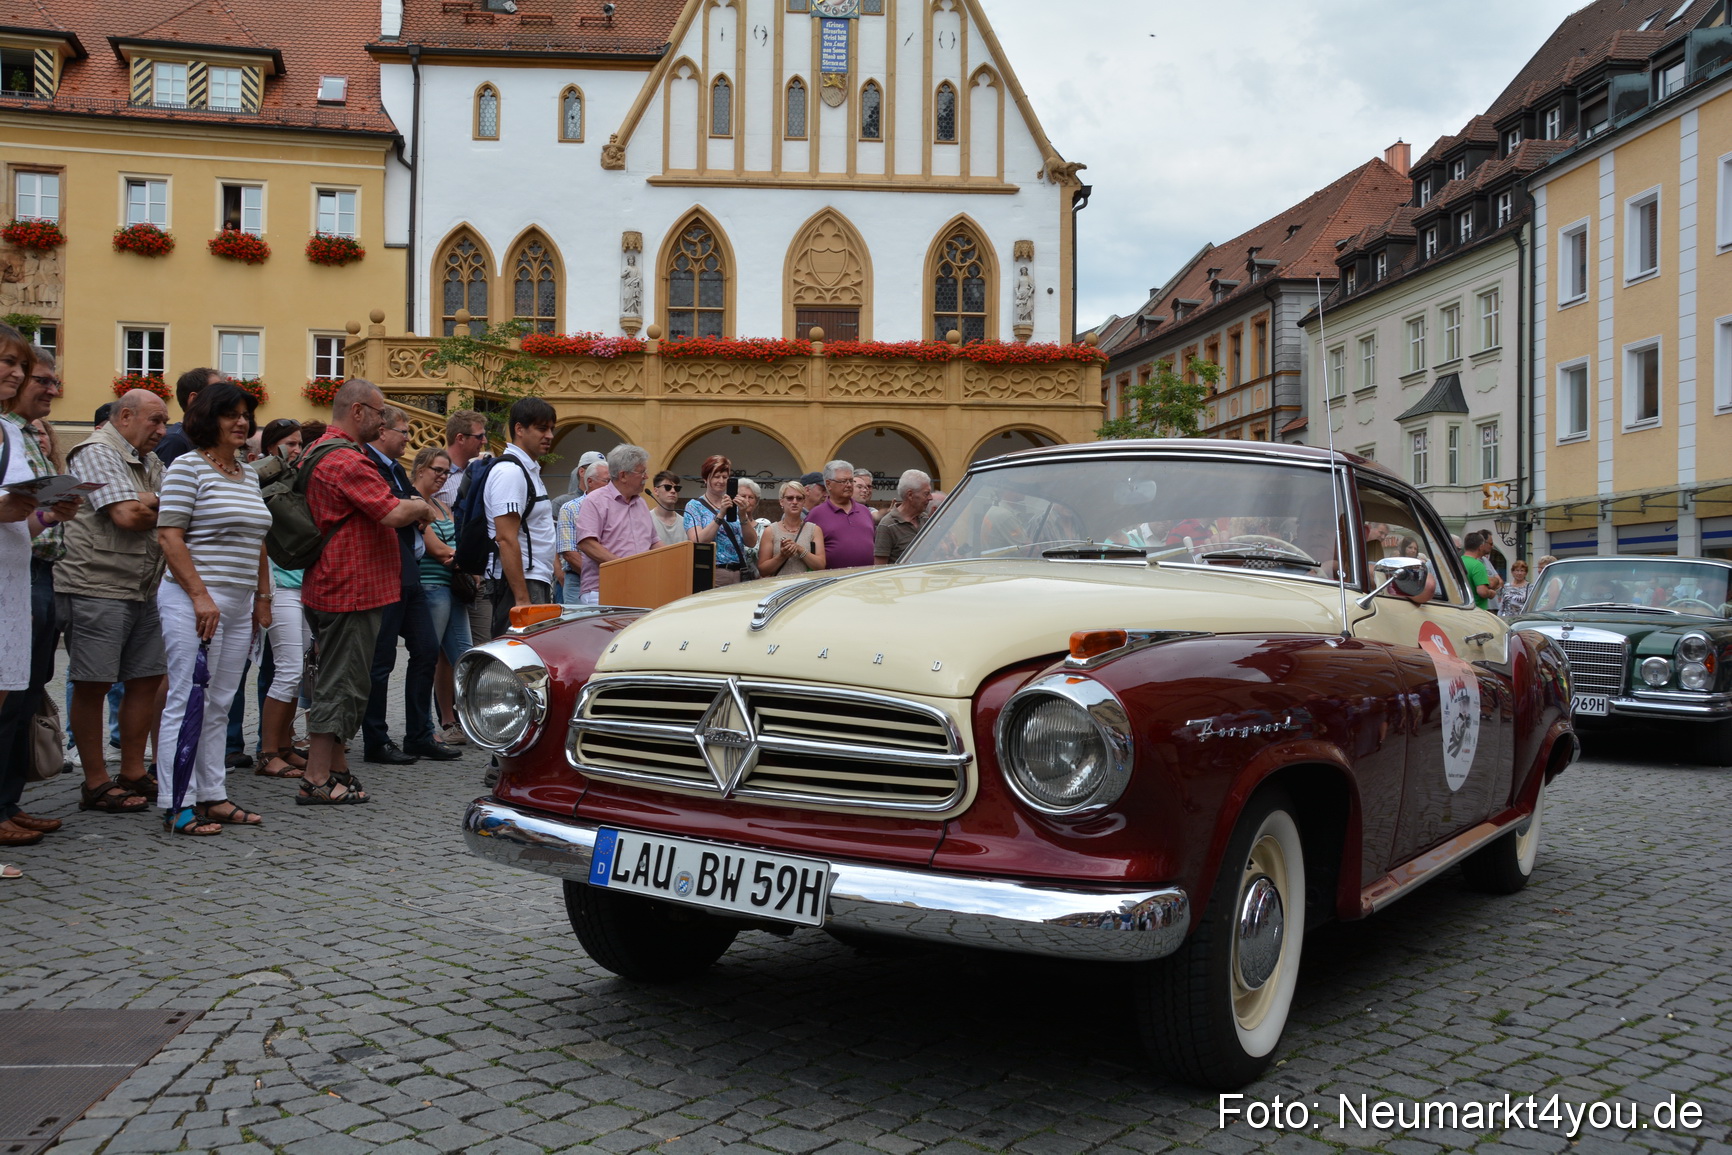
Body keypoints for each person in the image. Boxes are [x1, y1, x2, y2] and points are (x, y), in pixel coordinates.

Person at [299, 379, 434, 805]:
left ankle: (337, 768)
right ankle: (317, 777)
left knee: (348, 681)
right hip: (349, 588)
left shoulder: (322, 451)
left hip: (338, 583)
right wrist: (422, 505)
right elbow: (392, 511)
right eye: (378, 412)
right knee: (341, 684)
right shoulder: (346, 460)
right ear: (357, 412)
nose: (382, 419)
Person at [153, 382, 273, 835]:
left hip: (240, 602)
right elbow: (169, 536)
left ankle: (213, 795)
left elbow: (257, 540)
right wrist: (200, 595)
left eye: (245, 414)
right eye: (230, 414)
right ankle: (176, 802)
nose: (241, 422)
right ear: (209, 419)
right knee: (187, 701)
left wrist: (263, 598)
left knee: (221, 702)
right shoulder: (187, 467)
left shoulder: (249, 473)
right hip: (193, 599)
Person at [58, 388, 170, 813]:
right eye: (155, 421)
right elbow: (127, 516)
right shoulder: (96, 450)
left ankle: (133, 772)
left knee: (145, 678)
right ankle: (96, 781)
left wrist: (150, 501)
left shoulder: (148, 459)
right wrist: (161, 504)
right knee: (94, 682)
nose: (162, 430)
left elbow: (171, 507)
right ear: (125, 416)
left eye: (163, 422)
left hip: (143, 585)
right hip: (95, 584)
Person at [0, 342, 80, 847]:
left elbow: (20, 516)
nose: (49, 388)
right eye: (36, 377)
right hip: (18, 574)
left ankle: (8, 801)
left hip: (28, 568)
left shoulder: (20, 432)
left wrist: (51, 511)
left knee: (24, 692)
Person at [362, 406, 454, 763]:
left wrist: (413, 508)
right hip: (386, 572)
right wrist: (415, 508)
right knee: (382, 661)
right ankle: (376, 739)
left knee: (427, 651)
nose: (407, 438)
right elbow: (397, 510)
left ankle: (418, 734)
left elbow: (412, 509)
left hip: (409, 572)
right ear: (382, 430)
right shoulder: (369, 464)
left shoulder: (393, 470)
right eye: (403, 431)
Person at [250, 419, 310, 779]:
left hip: (301, 584)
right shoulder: (259, 477)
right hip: (279, 586)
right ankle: (267, 751)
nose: (297, 449)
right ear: (272, 447)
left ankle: (285, 746)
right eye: (289, 444)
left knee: (297, 671)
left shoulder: (294, 478)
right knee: (287, 670)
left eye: (300, 443)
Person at [485, 397, 558, 637]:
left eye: (551, 429)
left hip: (535, 578)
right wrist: (522, 599)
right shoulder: (511, 472)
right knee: (521, 660)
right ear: (519, 429)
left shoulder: (528, 469)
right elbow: (505, 538)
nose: (549, 435)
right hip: (522, 583)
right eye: (541, 428)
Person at [413, 445, 471, 745]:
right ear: (420, 468)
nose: (442, 476)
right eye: (437, 470)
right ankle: (424, 727)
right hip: (430, 588)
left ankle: (452, 722)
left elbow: (452, 549)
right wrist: (460, 557)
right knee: (428, 659)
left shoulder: (441, 505)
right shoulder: (412, 501)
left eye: (446, 472)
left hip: (452, 588)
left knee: (461, 656)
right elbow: (436, 549)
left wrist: (455, 556)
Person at [571, 444, 655, 605]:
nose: (646, 477)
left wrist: (677, 557)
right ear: (623, 475)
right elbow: (587, 543)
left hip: (640, 588)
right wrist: (624, 567)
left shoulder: (642, 504)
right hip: (602, 590)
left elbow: (654, 542)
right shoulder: (594, 500)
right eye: (642, 472)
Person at [684, 455, 757, 586]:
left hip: (740, 572)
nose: (721, 481)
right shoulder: (694, 506)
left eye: (725, 477)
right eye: (716, 476)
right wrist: (721, 514)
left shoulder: (735, 503)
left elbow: (751, 542)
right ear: (706, 479)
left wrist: (742, 515)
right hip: (714, 573)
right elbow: (697, 541)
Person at [556, 456, 611, 605]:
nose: (611, 486)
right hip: (578, 581)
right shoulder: (570, 508)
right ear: (590, 482)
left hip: (613, 580)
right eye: (607, 481)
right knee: (579, 626)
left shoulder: (616, 508)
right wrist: (597, 576)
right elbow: (569, 553)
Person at [807, 458, 876, 570]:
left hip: (865, 581)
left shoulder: (864, 511)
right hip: (833, 583)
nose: (849, 485)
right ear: (828, 484)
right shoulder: (816, 515)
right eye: (843, 481)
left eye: (851, 481)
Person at [154, 366, 224, 466]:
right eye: (218, 395)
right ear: (194, 399)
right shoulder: (175, 441)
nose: (226, 401)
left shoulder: (204, 439)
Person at [758, 480, 824, 576]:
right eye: (790, 498)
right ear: (781, 502)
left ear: (804, 501)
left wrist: (799, 549)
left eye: (799, 498)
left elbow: (821, 566)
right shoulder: (771, 531)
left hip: (806, 587)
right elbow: (763, 571)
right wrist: (782, 556)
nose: (794, 502)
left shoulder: (814, 530)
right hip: (779, 588)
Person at [874, 469, 932, 565]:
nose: (931, 498)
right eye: (926, 493)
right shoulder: (887, 525)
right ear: (910, 495)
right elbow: (879, 568)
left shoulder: (926, 519)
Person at [1460, 530, 1503, 611]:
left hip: (1462, 607)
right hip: (1477, 609)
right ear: (1480, 547)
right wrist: (1490, 593)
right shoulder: (1477, 565)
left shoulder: (1459, 561)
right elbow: (1482, 592)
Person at [648, 470, 687, 546]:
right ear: (656, 491)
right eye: (668, 487)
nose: (673, 491)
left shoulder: (685, 522)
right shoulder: (647, 520)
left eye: (677, 488)